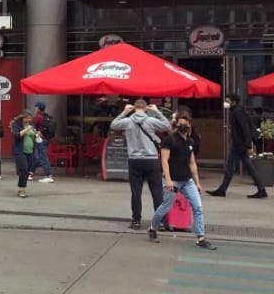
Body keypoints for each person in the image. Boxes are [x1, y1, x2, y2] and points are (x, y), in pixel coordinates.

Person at [148, 113, 217, 249]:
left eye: (185, 124)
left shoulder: (190, 142)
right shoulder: (169, 140)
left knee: (198, 207)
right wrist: (168, 179)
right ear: (176, 125)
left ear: (189, 125)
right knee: (165, 207)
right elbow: (164, 160)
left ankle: (200, 237)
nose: (182, 126)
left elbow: (192, 163)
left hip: (187, 180)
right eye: (180, 124)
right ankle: (152, 228)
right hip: (172, 180)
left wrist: (197, 182)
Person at [110, 98, 172, 230]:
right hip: (152, 160)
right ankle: (159, 222)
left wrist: (124, 112)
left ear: (134, 108)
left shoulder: (127, 122)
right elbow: (167, 125)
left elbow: (113, 125)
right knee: (157, 192)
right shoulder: (150, 120)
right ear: (145, 108)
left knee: (136, 192)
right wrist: (157, 111)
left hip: (134, 160)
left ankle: (136, 221)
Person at [209, 93, 267, 199]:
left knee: (231, 167)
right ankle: (261, 189)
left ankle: (222, 190)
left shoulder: (238, 112)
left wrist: (249, 145)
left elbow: (245, 128)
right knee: (247, 167)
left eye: (227, 101)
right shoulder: (237, 110)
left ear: (233, 102)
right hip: (240, 144)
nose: (225, 103)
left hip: (239, 144)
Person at [11, 111, 37, 197]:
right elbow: (17, 135)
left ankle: (22, 187)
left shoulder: (31, 125)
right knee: (24, 169)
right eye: (28, 118)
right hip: (20, 150)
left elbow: (33, 135)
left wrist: (36, 134)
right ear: (23, 118)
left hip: (30, 150)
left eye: (30, 118)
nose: (29, 120)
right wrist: (27, 129)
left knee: (28, 170)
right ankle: (21, 189)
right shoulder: (16, 125)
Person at [31, 101, 56, 183]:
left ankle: (48, 175)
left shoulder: (37, 117)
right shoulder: (47, 116)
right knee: (38, 157)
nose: (35, 108)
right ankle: (30, 173)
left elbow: (32, 128)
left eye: (36, 107)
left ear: (38, 108)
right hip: (46, 139)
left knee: (42, 157)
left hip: (39, 139)